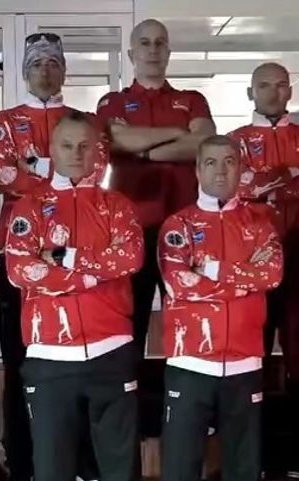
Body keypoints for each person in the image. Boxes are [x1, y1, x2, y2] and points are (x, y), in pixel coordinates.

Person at [4, 111, 144, 481]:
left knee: (123, 476)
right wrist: (93, 275)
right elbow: (20, 270)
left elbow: (129, 258)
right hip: (50, 357)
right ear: (52, 150)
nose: (77, 153)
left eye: (85, 145)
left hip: (111, 351)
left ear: (98, 150)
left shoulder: (118, 205)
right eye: (67, 145)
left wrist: (64, 258)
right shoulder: (29, 208)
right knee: (52, 476)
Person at [0, 32, 100, 481]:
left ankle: (82, 458)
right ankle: (23, 463)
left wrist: (34, 166)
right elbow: (2, 176)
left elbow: (92, 171)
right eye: (37, 64)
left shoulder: (84, 123)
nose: (46, 72)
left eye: (53, 64)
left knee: (81, 359)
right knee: (22, 365)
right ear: (25, 72)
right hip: (23, 259)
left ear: (64, 71)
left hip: (78, 259)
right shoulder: (5, 121)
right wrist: (57, 172)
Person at [159, 135, 283, 481]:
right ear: (198, 170)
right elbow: (180, 284)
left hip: (245, 362)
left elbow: (271, 275)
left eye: (229, 162)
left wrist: (210, 269)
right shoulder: (177, 225)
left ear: (240, 169)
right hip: (190, 363)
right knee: (180, 474)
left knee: (245, 476)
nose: (221, 170)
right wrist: (244, 277)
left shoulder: (261, 224)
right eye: (211, 162)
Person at [227, 62, 299, 479]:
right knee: (248, 355)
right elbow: (237, 185)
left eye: (280, 85)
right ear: (250, 93)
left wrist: (263, 180)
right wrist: (290, 174)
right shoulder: (234, 141)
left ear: (290, 91)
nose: (272, 92)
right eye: (264, 86)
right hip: (249, 260)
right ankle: (250, 456)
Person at [96, 18, 216, 360]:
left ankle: (183, 391)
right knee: (128, 324)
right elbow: (115, 141)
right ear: (131, 53)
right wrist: (178, 133)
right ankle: (130, 393)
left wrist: (143, 150)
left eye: (160, 42)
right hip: (129, 229)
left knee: (188, 320)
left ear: (168, 51)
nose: (153, 49)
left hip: (186, 228)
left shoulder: (192, 99)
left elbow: (203, 143)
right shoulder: (112, 102)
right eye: (145, 43)